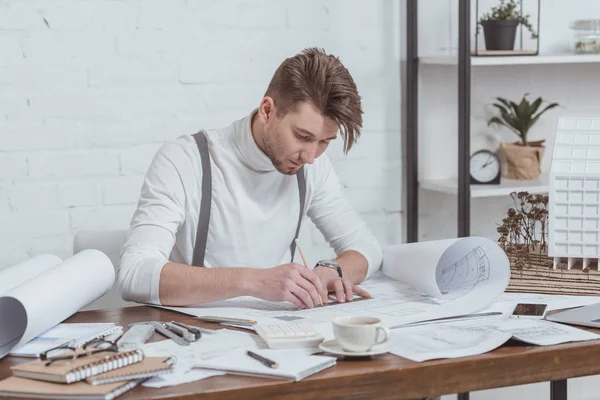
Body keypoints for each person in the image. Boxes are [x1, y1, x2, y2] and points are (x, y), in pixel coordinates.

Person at [118, 47, 383, 308]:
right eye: (303, 137)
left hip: (281, 332)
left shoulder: (312, 167)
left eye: (325, 141)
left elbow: (365, 245)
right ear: (267, 110)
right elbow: (134, 274)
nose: (311, 156)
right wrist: (255, 281)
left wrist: (333, 270)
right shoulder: (185, 160)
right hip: (197, 334)